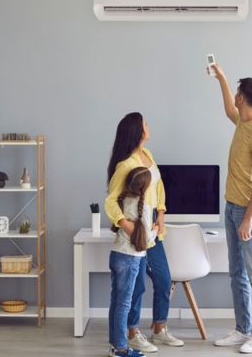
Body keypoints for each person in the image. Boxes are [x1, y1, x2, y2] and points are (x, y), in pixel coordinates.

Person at [105, 112, 184, 354]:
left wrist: (161, 214)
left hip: (154, 230)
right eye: (145, 124)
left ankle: (159, 329)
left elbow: (159, 186)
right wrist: (126, 225)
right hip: (137, 233)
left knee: (163, 279)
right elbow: (110, 201)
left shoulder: (147, 155)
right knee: (136, 286)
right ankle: (132, 334)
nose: (148, 126)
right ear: (138, 132)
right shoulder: (125, 165)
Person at [208, 63, 252, 354]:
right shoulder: (244, 122)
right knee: (237, 273)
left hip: (249, 213)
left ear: (243, 98)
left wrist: (248, 219)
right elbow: (228, 111)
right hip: (232, 207)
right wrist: (221, 77)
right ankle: (243, 328)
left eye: (235, 91)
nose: (234, 96)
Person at [108, 167, 156, 357]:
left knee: (116, 301)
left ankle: (115, 344)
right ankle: (120, 349)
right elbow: (146, 237)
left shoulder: (122, 202)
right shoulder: (143, 208)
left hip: (116, 255)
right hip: (130, 258)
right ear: (145, 187)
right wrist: (156, 229)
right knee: (124, 304)